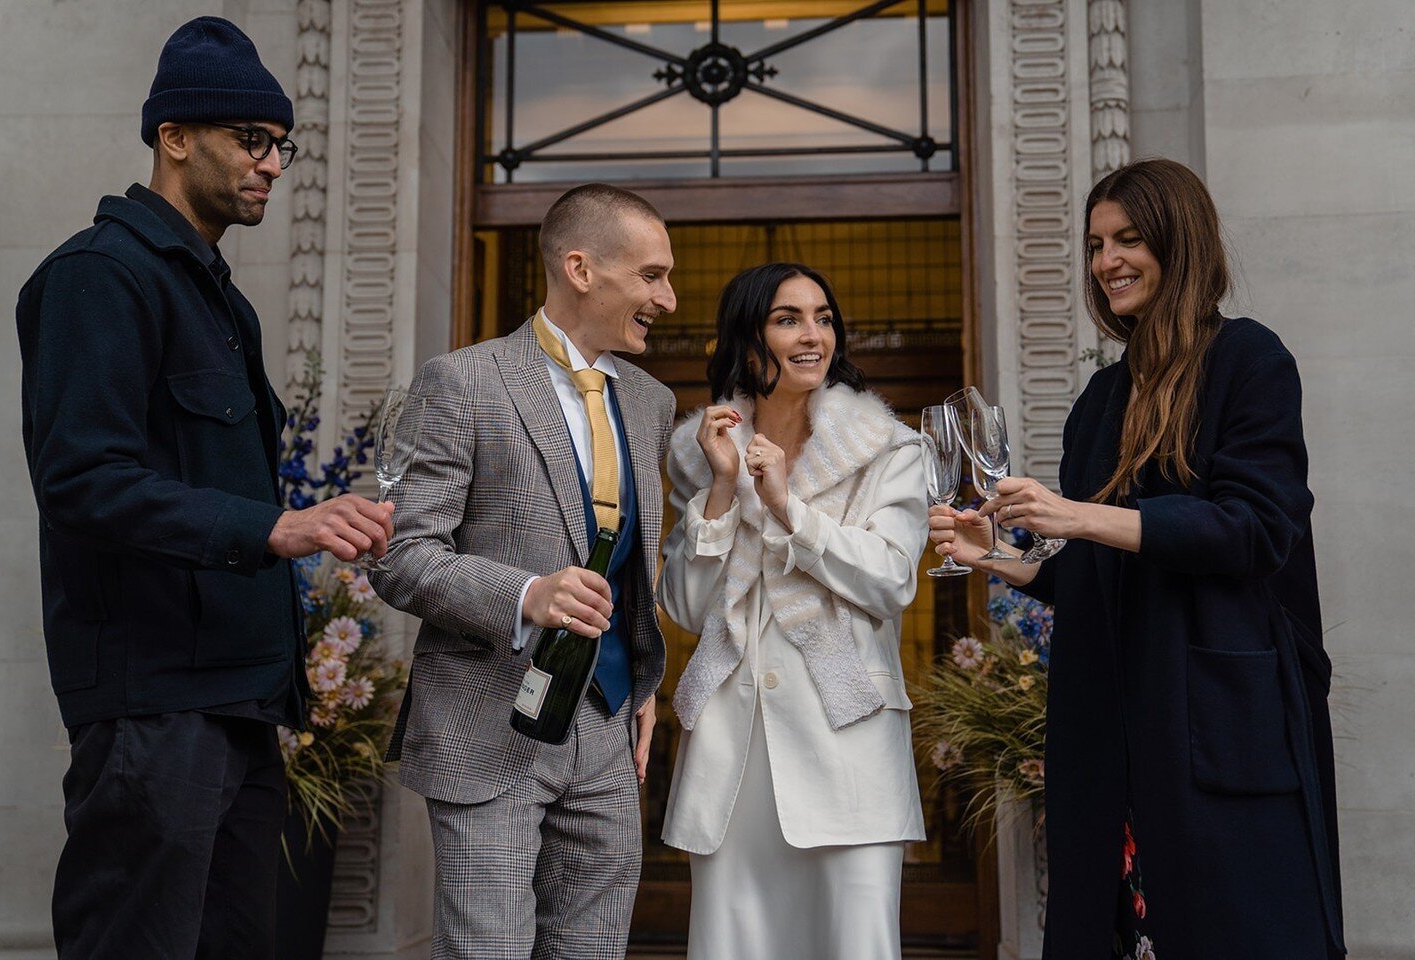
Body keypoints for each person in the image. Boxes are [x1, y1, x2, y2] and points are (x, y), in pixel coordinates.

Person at [15, 17, 395, 960]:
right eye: (249, 140)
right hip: (152, 705)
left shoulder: (224, 301)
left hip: (239, 702)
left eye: (280, 146)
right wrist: (275, 528)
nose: (270, 164)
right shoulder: (96, 277)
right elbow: (83, 480)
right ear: (173, 138)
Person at [929, 158, 1345, 959]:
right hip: (1108, 733)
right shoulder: (1100, 401)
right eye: (1094, 244)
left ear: (1178, 242)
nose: (1106, 260)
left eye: (1127, 238)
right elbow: (1108, 571)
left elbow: (1257, 528)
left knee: (1236, 930)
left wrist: (1080, 515)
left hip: (1216, 729)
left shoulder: (1249, 362)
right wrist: (1014, 564)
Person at [369, 183, 676, 960]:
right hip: (486, 725)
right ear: (580, 268)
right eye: (650, 275)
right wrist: (526, 595)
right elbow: (402, 558)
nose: (667, 298)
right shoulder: (462, 382)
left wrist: (643, 687)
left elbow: (636, 568)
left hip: (606, 730)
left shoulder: (651, 402)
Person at [658, 263, 928, 960]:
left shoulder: (890, 451)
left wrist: (785, 508)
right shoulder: (700, 458)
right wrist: (723, 489)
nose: (813, 335)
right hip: (732, 758)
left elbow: (892, 579)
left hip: (848, 751)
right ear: (748, 341)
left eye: (823, 318)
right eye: (788, 319)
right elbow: (686, 608)